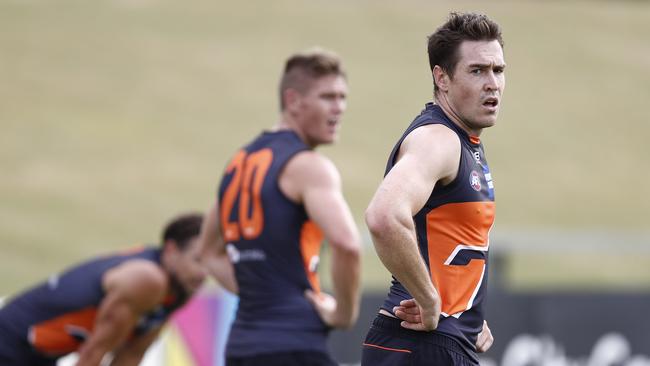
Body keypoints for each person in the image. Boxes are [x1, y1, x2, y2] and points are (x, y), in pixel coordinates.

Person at [200, 48, 361, 366]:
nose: (339, 108)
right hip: (293, 345)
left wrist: (258, 291)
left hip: (241, 347)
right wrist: (344, 313)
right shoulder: (309, 166)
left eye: (342, 97)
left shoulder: (238, 164)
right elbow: (347, 245)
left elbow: (209, 251)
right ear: (293, 101)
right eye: (327, 97)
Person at [361, 12, 504, 365]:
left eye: (498, 70)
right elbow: (383, 216)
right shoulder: (437, 139)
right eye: (477, 71)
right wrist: (429, 301)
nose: (493, 83)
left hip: (436, 343)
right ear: (441, 78)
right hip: (421, 344)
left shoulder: (463, 140)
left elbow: (443, 242)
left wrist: (465, 312)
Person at [0, 213, 205, 366]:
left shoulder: (180, 289)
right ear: (171, 250)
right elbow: (93, 353)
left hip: (35, 356)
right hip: (10, 345)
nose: (204, 272)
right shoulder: (149, 280)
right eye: (197, 260)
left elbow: (132, 355)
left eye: (210, 262)